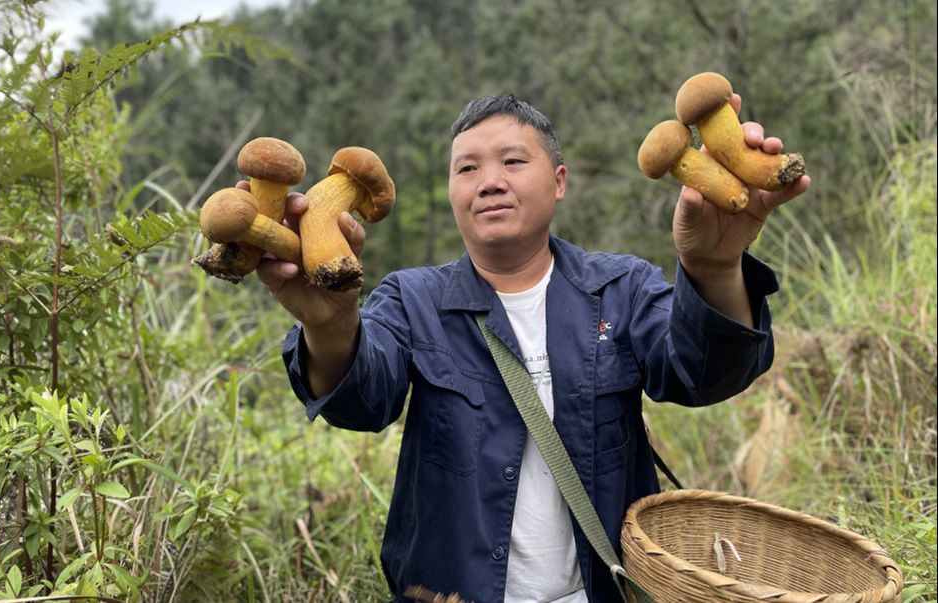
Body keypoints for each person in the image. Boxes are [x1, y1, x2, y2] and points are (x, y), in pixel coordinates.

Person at [255, 94, 810, 602]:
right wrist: (329, 325)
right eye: (467, 168)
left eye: (513, 162)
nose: (489, 181)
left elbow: (704, 374)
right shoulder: (413, 299)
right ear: (451, 191)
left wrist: (714, 267)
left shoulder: (622, 288)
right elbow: (360, 402)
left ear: (560, 181)